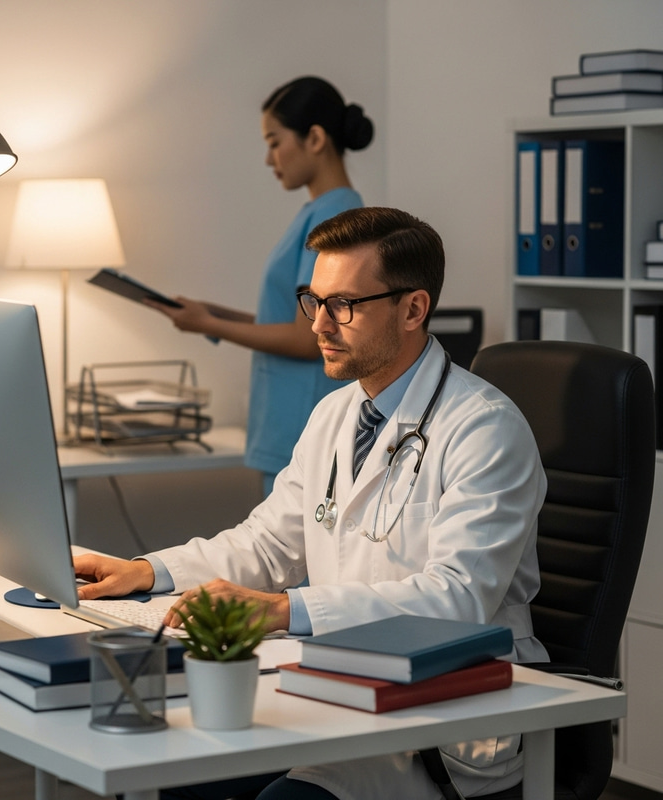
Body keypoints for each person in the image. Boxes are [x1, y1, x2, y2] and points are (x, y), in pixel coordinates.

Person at [75, 207, 549, 800]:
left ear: (413, 309)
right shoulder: (335, 413)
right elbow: (268, 542)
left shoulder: (484, 429)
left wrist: (280, 610)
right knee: (176, 768)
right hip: (343, 687)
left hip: (446, 722)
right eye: (313, 300)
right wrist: (148, 571)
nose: (318, 324)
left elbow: (455, 599)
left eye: (343, 305)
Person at [145, 76, 375, 494]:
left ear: (315, 138)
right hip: (289, 423)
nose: (270, 159)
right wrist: (214, 314)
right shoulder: (322, 210)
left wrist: (209, 326)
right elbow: (294, 319)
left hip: (301, 423)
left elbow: (310, 338)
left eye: (274, 141)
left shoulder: (335, 215)